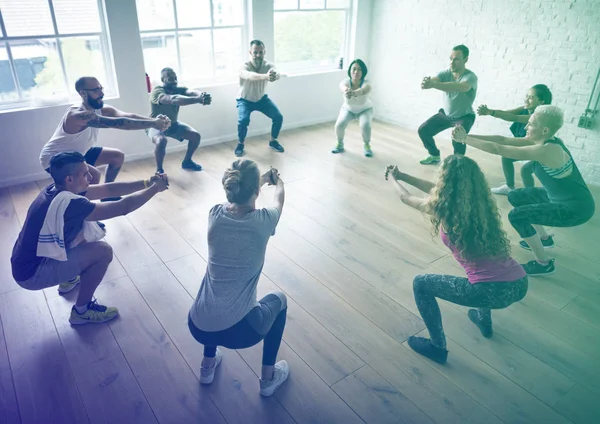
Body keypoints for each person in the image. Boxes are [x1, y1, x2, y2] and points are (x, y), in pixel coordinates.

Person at [385, 156, 528, 364]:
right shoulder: (482, 203)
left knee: (421, 283)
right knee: (479, 272)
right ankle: (483, 320)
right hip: (520, 282)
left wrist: (391, 178)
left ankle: (437, 347)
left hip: (490, 292)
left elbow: (406, 198)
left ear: (445, 182)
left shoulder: (445, 209)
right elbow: (436, 191)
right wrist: (403, 175)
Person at [11, 151, 169, 324]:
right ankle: (82, 311)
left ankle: (68, 279)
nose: (90, 176)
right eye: (85, 173)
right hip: (32, 274)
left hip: (23, 262)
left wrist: (147, 182)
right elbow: (124, 207)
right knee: (103, 251)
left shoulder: (55, 190)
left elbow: (108, 189)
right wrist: (155, 189)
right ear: (69, 179)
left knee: (87, 229)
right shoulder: (72, 203)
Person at [452, 105, 595, 275]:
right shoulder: (543, 140)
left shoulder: (547, 150)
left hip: (575, 209)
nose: (526, 127)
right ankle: (544, 239)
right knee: (516, 196)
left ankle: (544, 263)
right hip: (558, 197)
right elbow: (502, 140)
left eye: (531, 124)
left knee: (517, 216)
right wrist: (466, 136)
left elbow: (500, 149)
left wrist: (464, 140)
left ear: (545, 130)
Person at [188, 159, 289, 396]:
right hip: (242, 332)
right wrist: (278, 181)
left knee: (216, 298)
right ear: (256, 191)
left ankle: (208, 366)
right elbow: (279, 200)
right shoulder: (264, 221)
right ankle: (268, 379)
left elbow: (237, 198)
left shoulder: (215, 214)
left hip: (198, 324)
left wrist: (260, 179)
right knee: (280, 300)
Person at [40, 77, 171, 191]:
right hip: (55, 158)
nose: (102, 93)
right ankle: (84, 208)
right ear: (83, 93)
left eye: (101, 88)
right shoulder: (77, 115)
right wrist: (154, 124)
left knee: (116, 156)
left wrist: (154, 120)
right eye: (96, 90)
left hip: (78, 153)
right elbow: (120, 123)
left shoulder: (100, 109)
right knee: (94, 175)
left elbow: (127, 116)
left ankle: (108, 192)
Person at [477, 84, 553, 194]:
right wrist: (490, 111)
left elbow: (514, 118)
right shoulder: (524, 109)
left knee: (525, 169)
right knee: (519, 166)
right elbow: (507, 113)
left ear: (541, 102)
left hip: (541, 149)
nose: (526, 99)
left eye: (531, 97)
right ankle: (516, 189)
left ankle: (528, 193)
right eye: (527, 96)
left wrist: (491, 113)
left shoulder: (540, 115)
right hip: (530, 144)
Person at [418, 45, 478, 165]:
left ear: (465, 60)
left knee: (458, 139)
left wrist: (434, 84)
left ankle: (458, 165)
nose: (452, 62)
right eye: (451, 59)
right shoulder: (446, 73)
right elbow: (435, 79)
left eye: (456, 59)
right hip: (446, 115)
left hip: (464, 117)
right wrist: (429, 82)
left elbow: (459, 87)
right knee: (423, 130)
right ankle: (434, 155)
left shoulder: (470, 77)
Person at [148, 67, 212, 173]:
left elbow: (190, 91)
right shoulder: (157, 91)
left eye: (175, 78)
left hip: (172, 124)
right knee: (161, 141)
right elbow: (172, 99)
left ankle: (187, 161)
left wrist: (202, 95)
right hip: (156, 125)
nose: (174, 81)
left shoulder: (178, 89)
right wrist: (197, 100)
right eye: (170, 78)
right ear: (163, 80)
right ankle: (159, 170)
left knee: (195, 136)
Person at [235, 40, 285, 157]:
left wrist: (274, 75)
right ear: (250, 52)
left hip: (262, 99)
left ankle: (273, 141)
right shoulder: (244, 66)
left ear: (264, 52)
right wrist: (266, 76)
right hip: (245, 100)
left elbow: (276, 72)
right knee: (243, 121)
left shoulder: (268, 65)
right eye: (255, 52)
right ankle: (240, 144)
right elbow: (250, 76)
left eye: (261, 52)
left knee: (278, 117)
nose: (258, 55)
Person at [331, 59, 374, 157]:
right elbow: (343, 87)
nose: (356, 72)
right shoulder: (345, 82)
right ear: (350, 71)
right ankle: (340, 144)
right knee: (339, 125)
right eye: (354, 69)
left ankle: (367, 145)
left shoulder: (367, 83)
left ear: (363, 72)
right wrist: (346, 91)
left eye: (359, 70)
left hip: (365, 110)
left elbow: (363, 90)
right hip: (348, 109)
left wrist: (355, 92)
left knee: (365, 125)